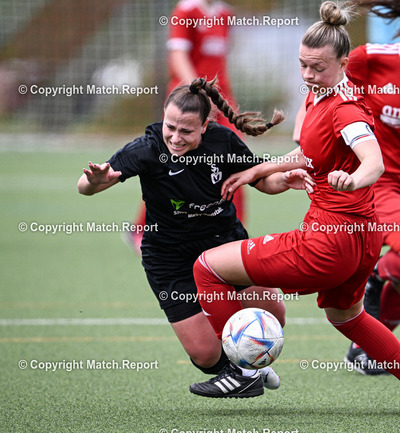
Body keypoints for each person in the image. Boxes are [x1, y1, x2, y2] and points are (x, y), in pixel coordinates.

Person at [189, 1, 400, 414]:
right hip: (363, 239)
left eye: (318, 67)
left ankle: (243, 373)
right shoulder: (320, 97)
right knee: (347, 318)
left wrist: (354, 178)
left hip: (327, 243)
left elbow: (374, 160)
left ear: (344, 64)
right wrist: (259, 169)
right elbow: (308, 153)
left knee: (207, 267)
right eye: (303, 65)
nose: (308, 74)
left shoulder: (344, 108)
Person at [77, 77, 299, 395]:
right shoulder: (147, 148)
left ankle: (246, 368)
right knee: (205, 354)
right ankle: (245, 371)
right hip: (169, 256)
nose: (175, 137)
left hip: (222, 240)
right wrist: (95, 181)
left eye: (186, 131)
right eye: (170, 127)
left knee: (274, 312)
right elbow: (84, 188)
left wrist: (285, 180)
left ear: (205, 127)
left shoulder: (223, 142)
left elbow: (262, 181)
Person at [292, 0, 400, 374]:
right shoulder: (371, 58)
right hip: (378, 180)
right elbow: (321, 85)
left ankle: (368, 350)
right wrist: (303, 130)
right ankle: (373, 274)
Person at [127, 0, 246, 255]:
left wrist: (225, 103)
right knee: (172, 167)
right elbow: (177, 55)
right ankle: (143, 228)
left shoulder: (225, 14)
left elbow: (220, 63)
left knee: (236, 162)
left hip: (220, 102)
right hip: (190, 102)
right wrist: (198, 91)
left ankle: (233, 235)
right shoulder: (186, 11)